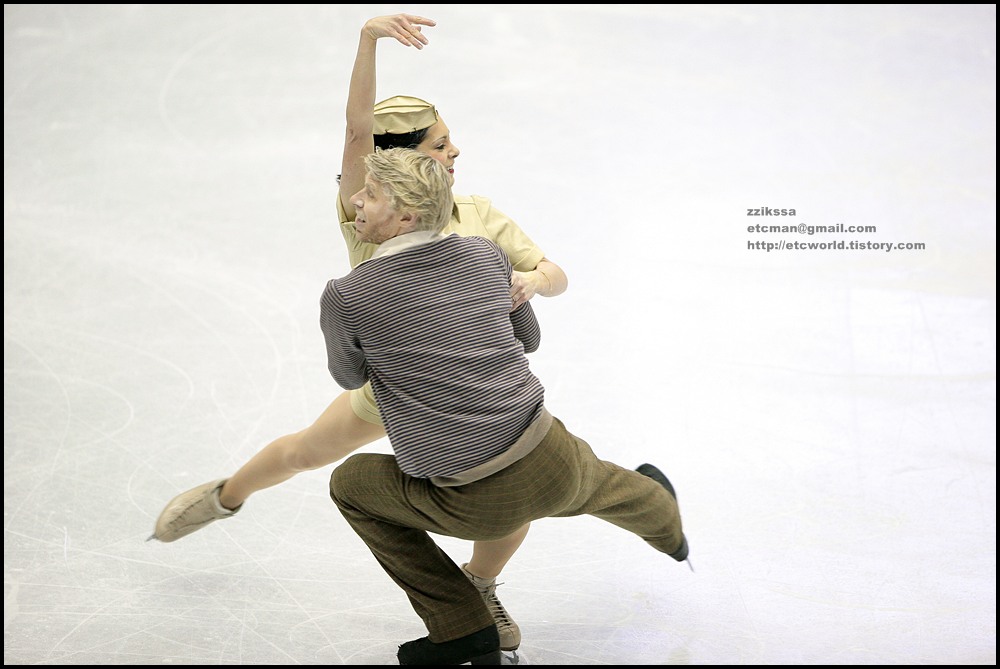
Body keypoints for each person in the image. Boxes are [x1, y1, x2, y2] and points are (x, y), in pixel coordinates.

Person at [150, 13, 568, 654]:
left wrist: (535, 282)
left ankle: (478, 585)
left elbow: (554, 273)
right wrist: (367, 40)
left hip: (472, 391)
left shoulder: (478, 215)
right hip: (397, 384)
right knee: (306, 452)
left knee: (514, 497)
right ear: (397, 165)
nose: (454, 153)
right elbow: (356, 131)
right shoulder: (365, 207)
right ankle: (225, 495)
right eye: (439, 145)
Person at [323, 146, 689, 665]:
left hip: (470, 501)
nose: (356, 199)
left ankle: (461, 625)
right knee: (605, 485)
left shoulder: (347, 295)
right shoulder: (483, 253)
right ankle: (667, 524)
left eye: (372, 194)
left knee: (350, 484)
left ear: (405, 215)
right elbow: (528, 337)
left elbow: (349, 374)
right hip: (551, 457)